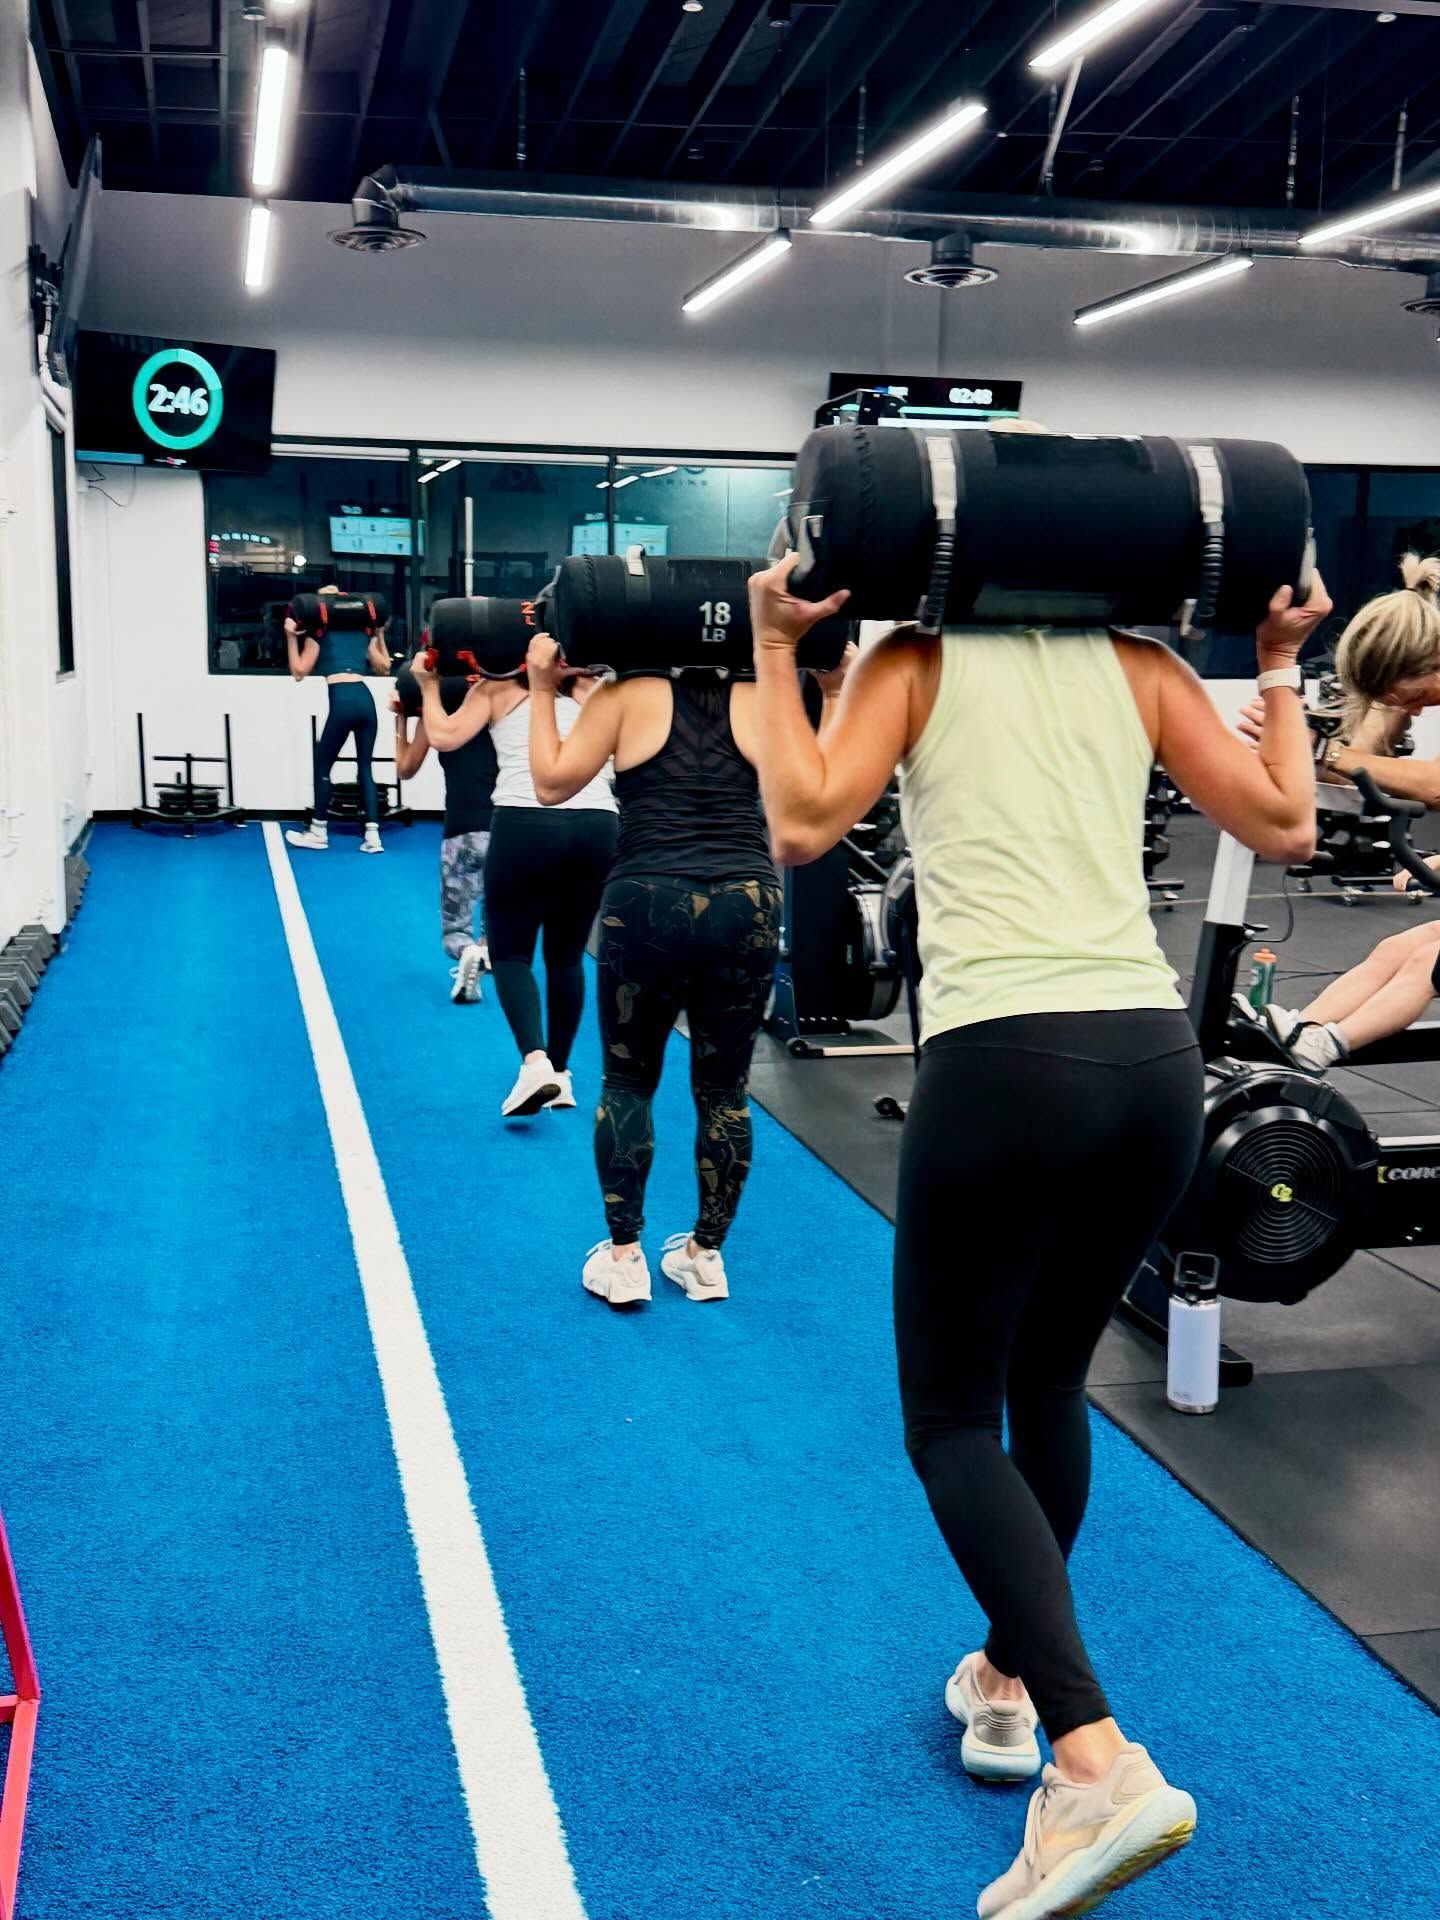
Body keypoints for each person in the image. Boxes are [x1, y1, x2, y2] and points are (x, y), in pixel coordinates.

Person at [747, 550, 1328, 1920]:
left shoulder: (915, 661)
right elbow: (1289, 823)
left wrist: (775, 648)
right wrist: (1287, 664)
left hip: (1005, 1065)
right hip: (1152, 1069)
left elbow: (800, 822)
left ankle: (1092, 1758)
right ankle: (1005, 1687)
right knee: (1048, 1384)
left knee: (950, 1423)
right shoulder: (1140, 665)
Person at [524, 631, 826, 1309]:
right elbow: (816, 789)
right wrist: (832, 694)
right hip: (747, 901)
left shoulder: (624, 693)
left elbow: (548, 783)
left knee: (629, 1080)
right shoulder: (762, 696)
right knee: (725, 1090)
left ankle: (625, 1257)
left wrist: (543, 689)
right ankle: (704, 1257)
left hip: (647, 901)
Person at [411, 654, 616, 1118]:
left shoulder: (495, 689)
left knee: (509, 952)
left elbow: (444, 736)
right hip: (599, 825)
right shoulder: (600, 692)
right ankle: (561, 1075)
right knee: (566, 955)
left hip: (526, 820)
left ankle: (535, 1062)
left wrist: (426, 684)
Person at [392, 667, 497, 1004]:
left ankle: (466, 951)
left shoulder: (436, 717)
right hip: (510, 827)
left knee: (457, 927)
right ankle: (485, 954)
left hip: (464, 828)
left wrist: (403, 719)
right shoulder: (498, 702)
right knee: (501, 916)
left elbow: (405, 767)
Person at [285, 584, 391, 856]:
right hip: (366, 701)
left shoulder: (318, 634)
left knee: (322, 764)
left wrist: (290, 637)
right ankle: (373, 837)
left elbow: (299, 671)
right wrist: (379, 634)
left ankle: (318, 831)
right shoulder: (362, 633)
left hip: (342, 699)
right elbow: (385, 667)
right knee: (365, 768)